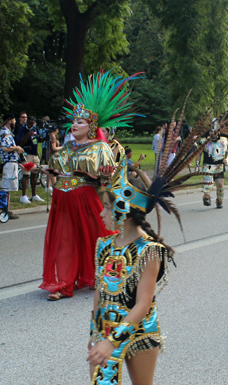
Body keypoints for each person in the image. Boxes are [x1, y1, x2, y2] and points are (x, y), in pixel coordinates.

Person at [60, 170, 171, 385]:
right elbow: (98, 293)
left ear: (124, 208)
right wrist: (95, 334)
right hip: (106, 334)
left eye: (107, 207)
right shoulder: (103, 245)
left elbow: (143, 304)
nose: (101, 212)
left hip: (139, 333)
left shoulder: (149, 250)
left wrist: (113, 340)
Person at [39, 72, 141, 301]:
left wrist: (104, 175)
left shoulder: (100, 149)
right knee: (65, 240)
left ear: (91, 125)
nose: (74, 125)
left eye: (80, 122)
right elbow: (59, 171)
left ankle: (113, 273)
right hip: (62, 199)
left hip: (86, 199)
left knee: (97, 237)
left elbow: (104, 180)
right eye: (74, 121)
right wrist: (47, 172)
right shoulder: (66, 148)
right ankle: (65, 284)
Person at [196, 118, 228, 209]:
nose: (212, 133)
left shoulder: (224, 141)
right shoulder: (204, 141)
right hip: (208, 165)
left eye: (214, 131)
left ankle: (219, 200)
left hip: (219, 165)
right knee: (208, 182)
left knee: (219, 184)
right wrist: (197, 165)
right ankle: (206, 197)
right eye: (210, 131)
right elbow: (199, 153)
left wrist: (227, 159)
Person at [0, 113, 24, 220]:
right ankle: (5, 210)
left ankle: (7, 209)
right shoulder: (5, 133)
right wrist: (16, 148)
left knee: (8, 188)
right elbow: (4, 148)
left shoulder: (8, 133)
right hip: (8, 163)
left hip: (12, 162)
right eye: (14, 120)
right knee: (6, 187)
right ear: (9, 120)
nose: (15, 122)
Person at [16, 115, 44, 204]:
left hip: (35, 153)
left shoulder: (35, 128)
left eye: (33, 124)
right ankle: (23, 195)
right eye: (30, 123)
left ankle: (34, 194)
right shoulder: (22, 129)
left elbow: (38, 139)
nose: (31, 125)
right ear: (28, 122)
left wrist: (42, 138)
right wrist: (28, 135)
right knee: (26, 174)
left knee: (34, 174)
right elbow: (20, 142)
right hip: (26, 154)